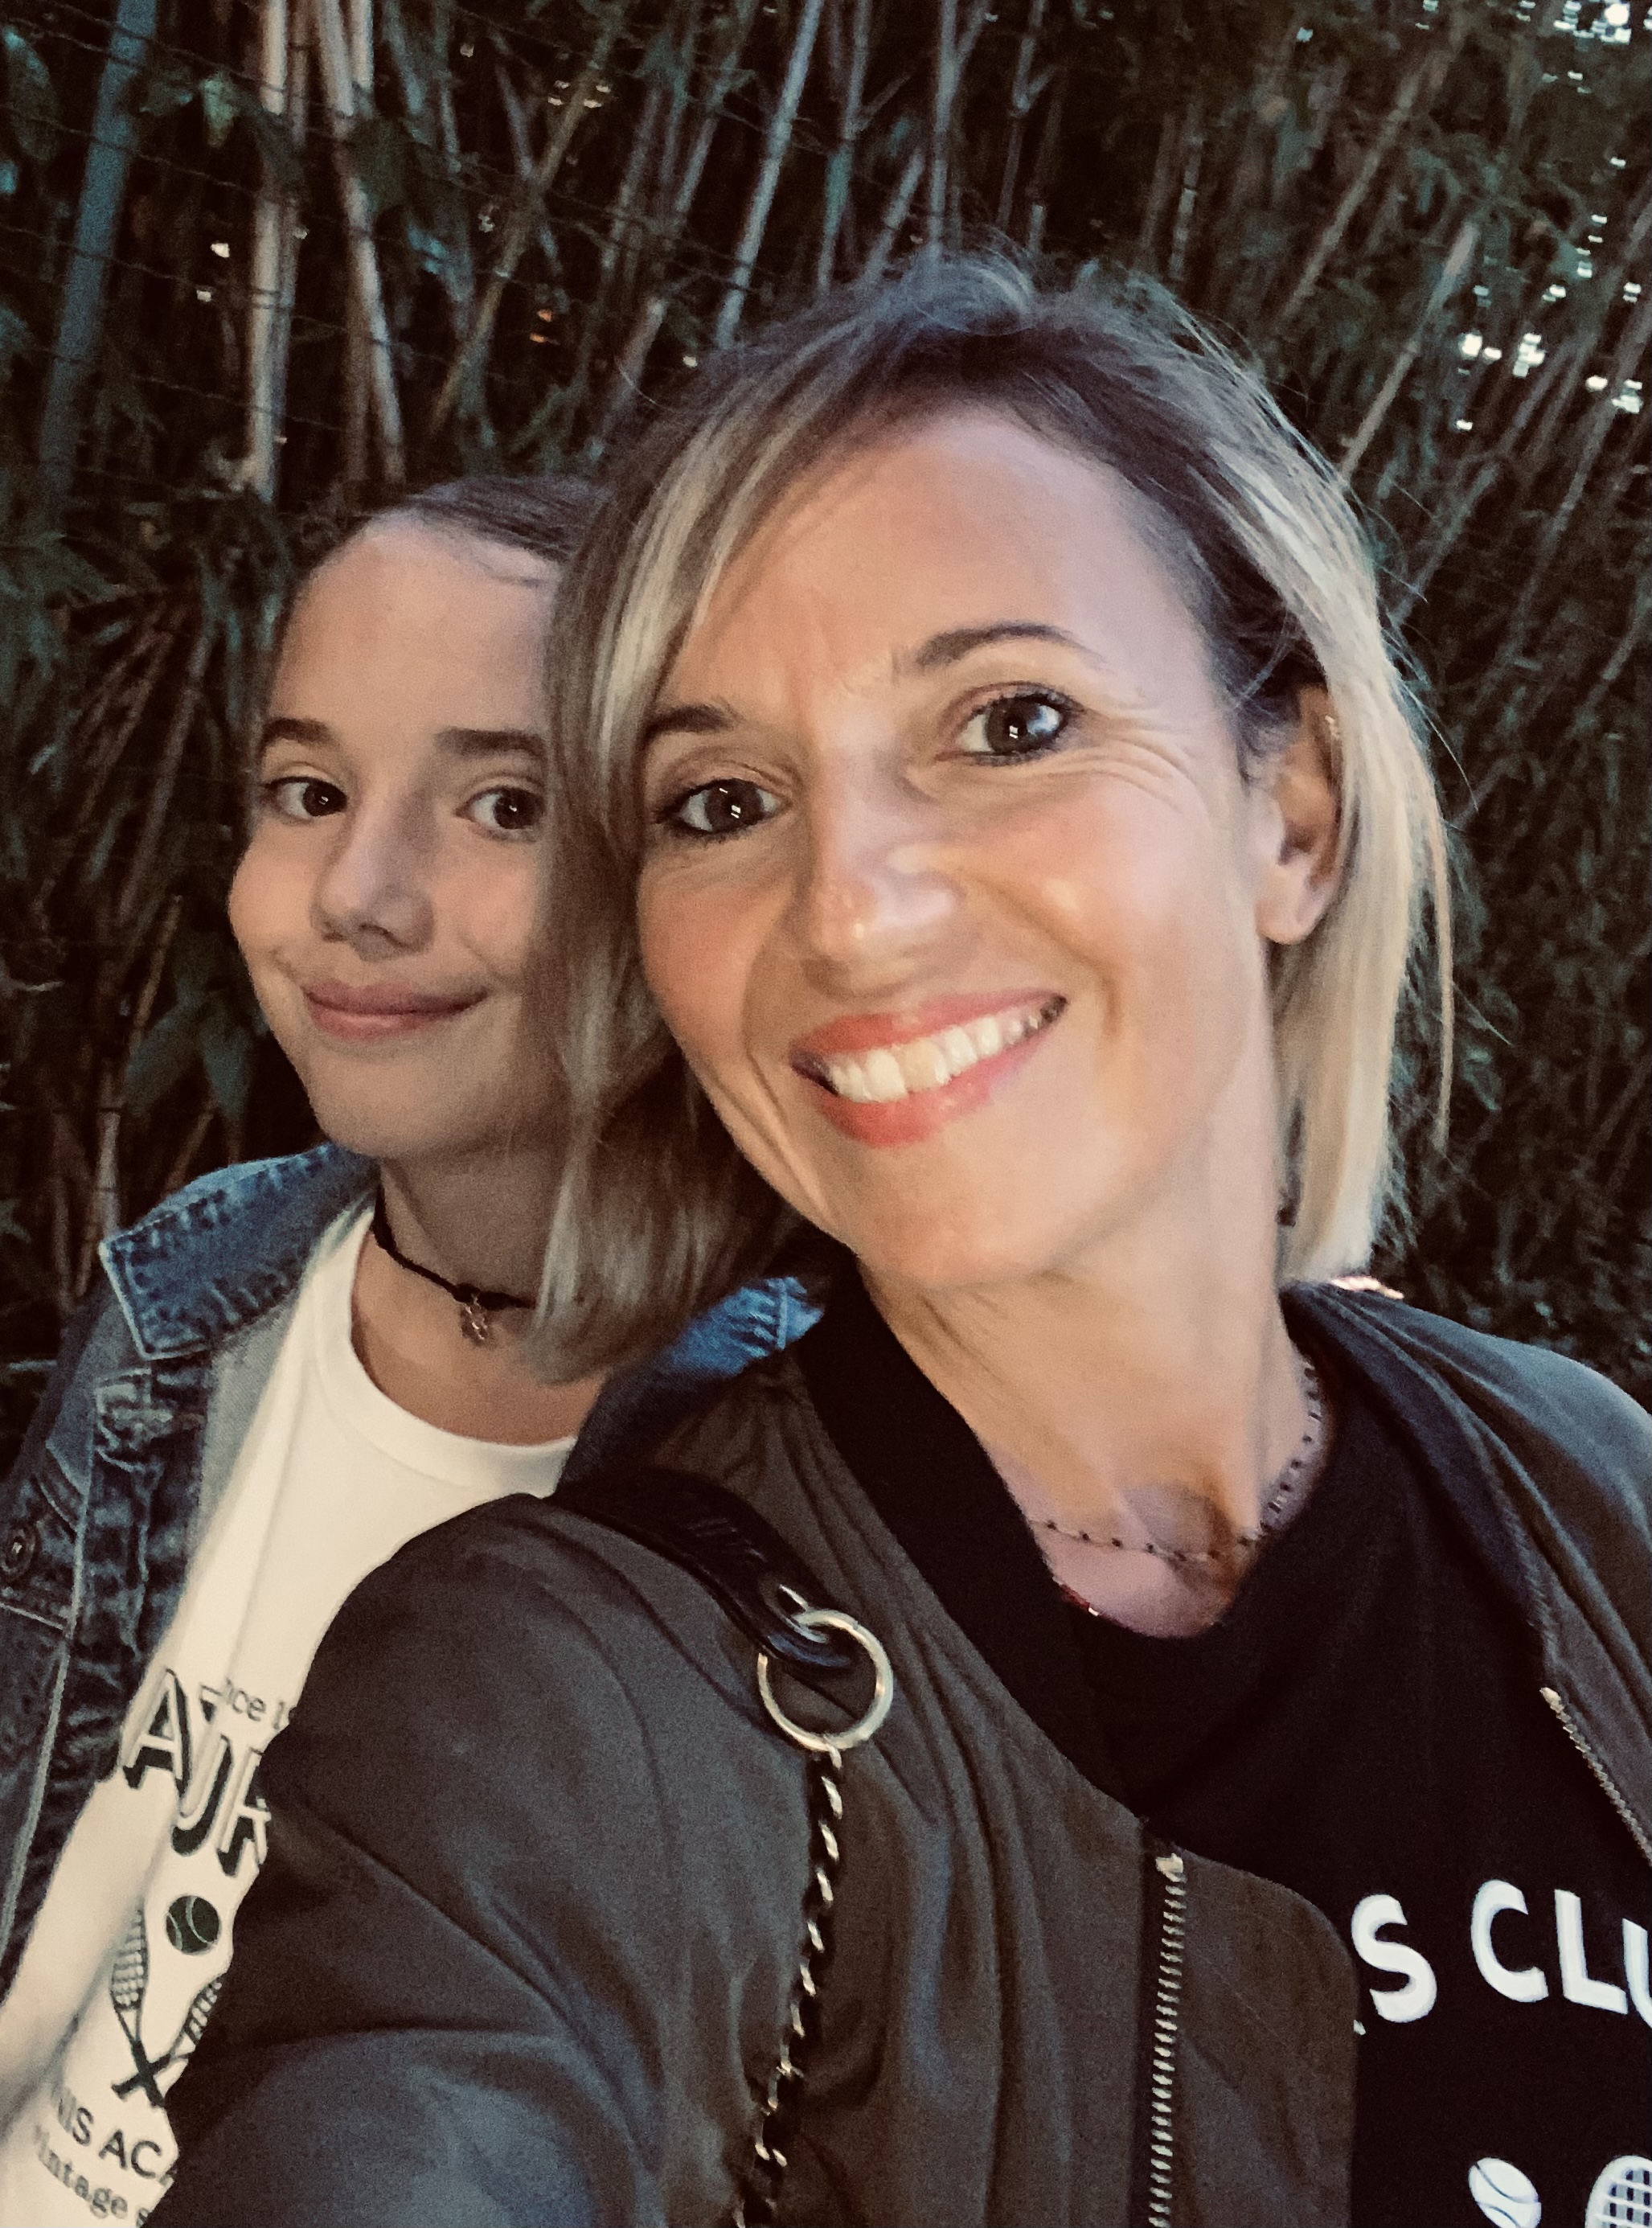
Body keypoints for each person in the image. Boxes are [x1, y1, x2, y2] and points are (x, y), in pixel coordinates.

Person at [157, 266, 1650, 2228]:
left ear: (1287, 810)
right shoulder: (562, 1694)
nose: (847, 912)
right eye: (721, 800)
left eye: (1007, 723)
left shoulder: (1585, 1489)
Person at [0, 476, 810, 2228]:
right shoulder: (190, 1296)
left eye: (504, 806)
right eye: (307, 793)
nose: (357, 895)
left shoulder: (800, 1483)